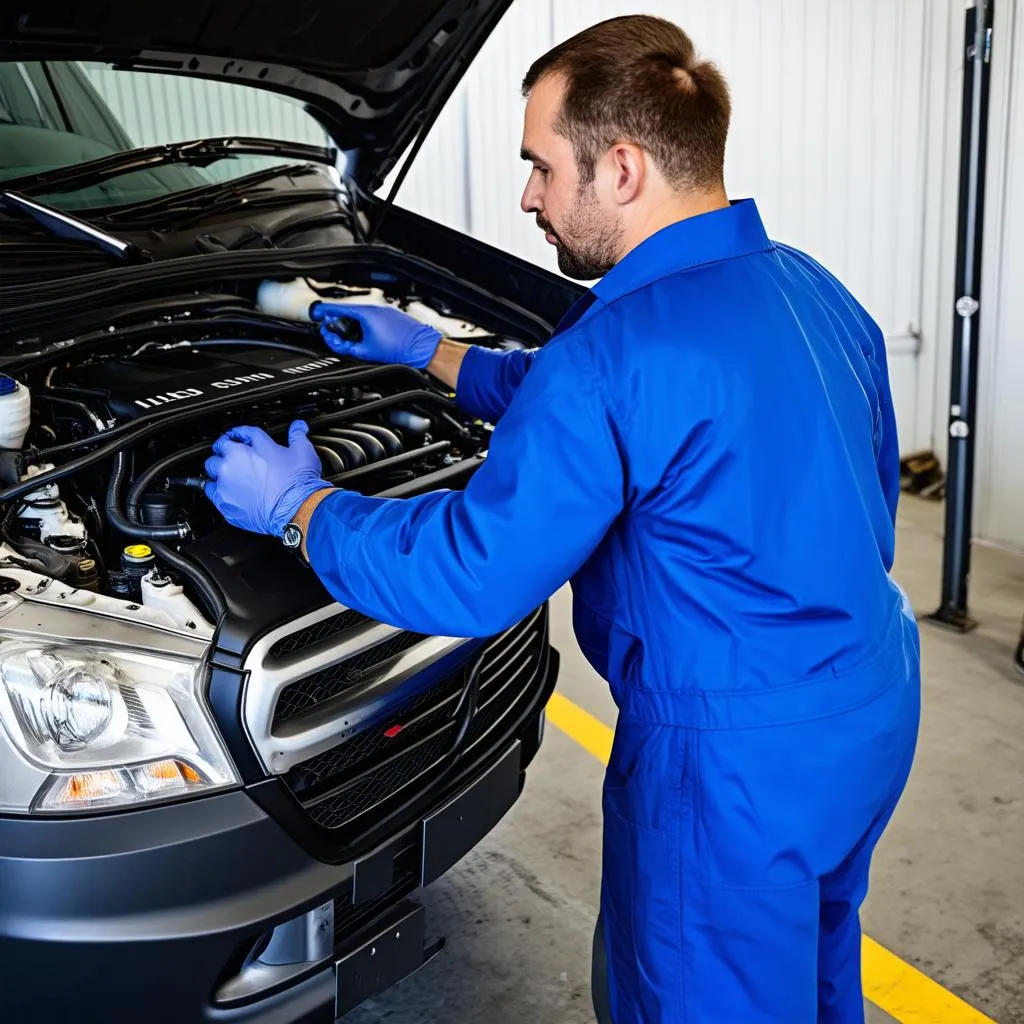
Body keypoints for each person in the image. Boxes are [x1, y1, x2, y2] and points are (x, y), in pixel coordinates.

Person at [204, 15, 921, 1024]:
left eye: (541, 165)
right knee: (809, 970)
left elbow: (472, 571)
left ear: (621, 167)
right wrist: (432, 354)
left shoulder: (613, 353)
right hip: (867, 701)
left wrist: (301, 508)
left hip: (730, 767)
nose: (528, 197)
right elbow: (688, 424)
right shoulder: (810, 290)